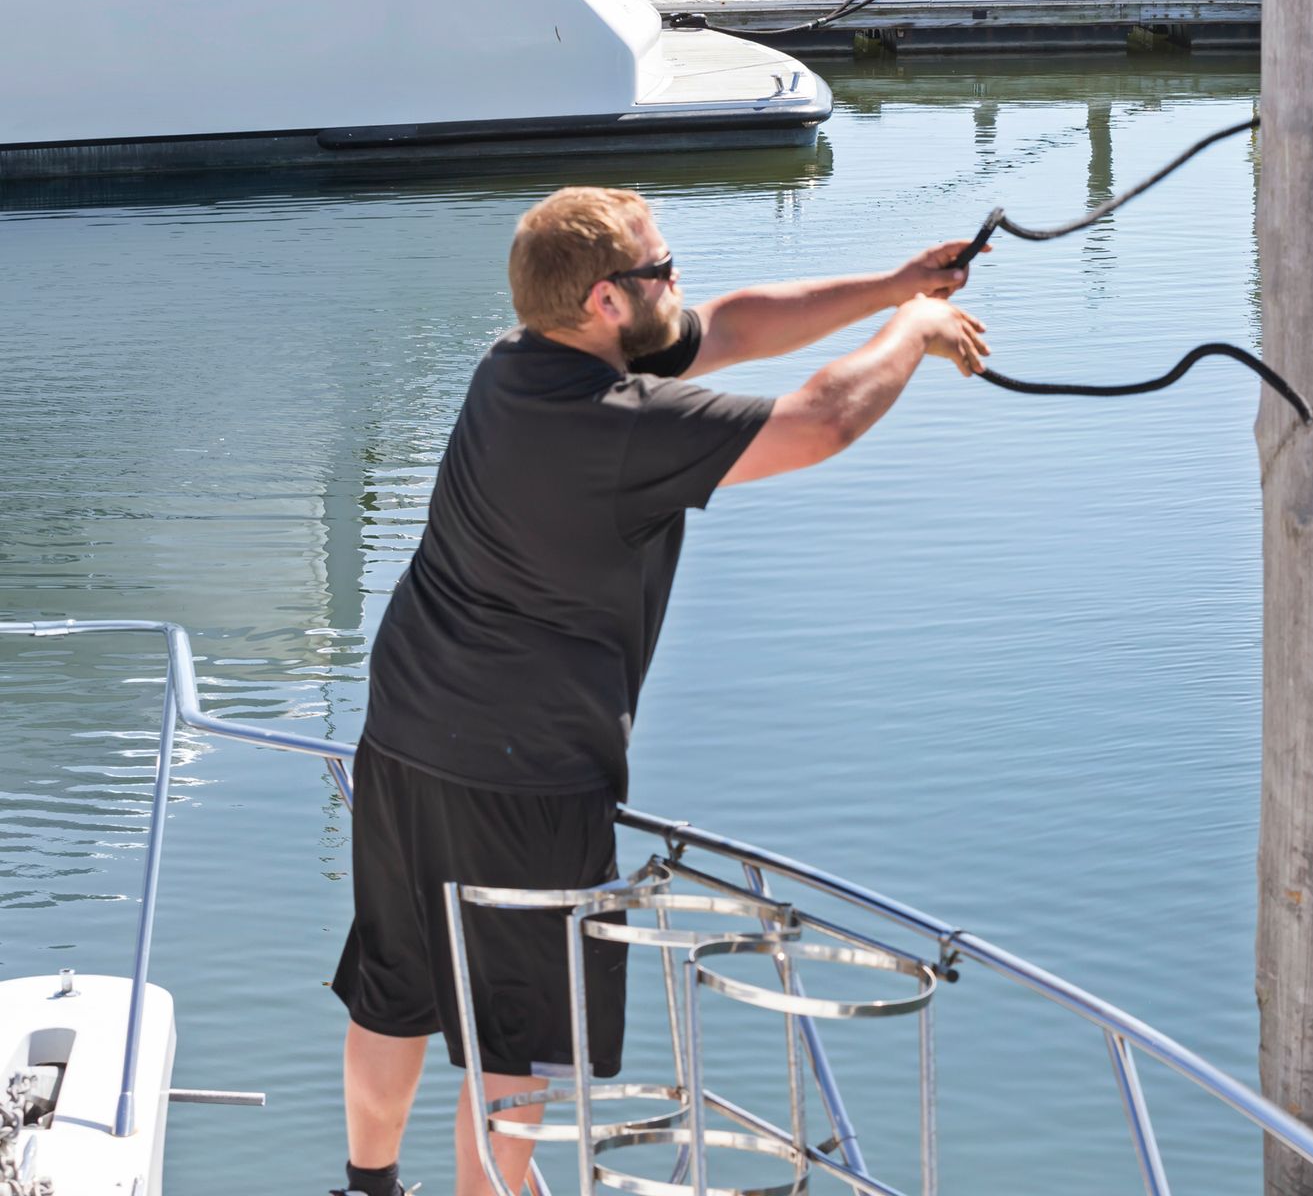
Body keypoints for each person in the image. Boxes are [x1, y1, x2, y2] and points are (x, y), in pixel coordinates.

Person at [327, 186, 990, 1196]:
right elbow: (822, 421)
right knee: (519, 1020)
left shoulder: (517, 364)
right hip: (526, 772)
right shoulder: (618, 429)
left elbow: (731, 324)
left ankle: (366, 1185)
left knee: (398, 984)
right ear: (604, 300)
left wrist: (896, 283)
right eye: (664, 269)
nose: (682, 283)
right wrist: (918, 328)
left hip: (407, 728)